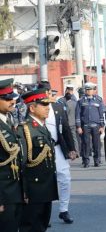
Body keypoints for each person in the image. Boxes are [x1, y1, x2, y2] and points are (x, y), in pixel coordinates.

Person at [19, 89, 58, 232]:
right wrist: (25, 191)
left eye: (48, 105)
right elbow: (22, 163)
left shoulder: (41, 127)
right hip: (33, 188)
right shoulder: (25, 129)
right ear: (32, 108)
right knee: (31, 226)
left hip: (45, 186)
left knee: (42, 224)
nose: (48, 108)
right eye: (43, 105)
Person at [37, 81, 76, 224]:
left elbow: (65, 128)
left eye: (48, 92)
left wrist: (71, 148)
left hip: (58, 148)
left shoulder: (58, 107)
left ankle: (64, 210)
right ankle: (44, 213)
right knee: (45, 181)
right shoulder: (34, 108)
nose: (48, 95)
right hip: (40, 150)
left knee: (65, 178)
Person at [0, 78, 23, 232]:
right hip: (3, 192)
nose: (12, 101)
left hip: (14, 190)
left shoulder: (8, 120)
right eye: (6, 99)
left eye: (12, 98)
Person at [75, 82, 105, 167]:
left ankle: (97, 160)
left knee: (96, 144)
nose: (89, 91)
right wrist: (78, 126)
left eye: (90, 90)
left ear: (93, 90)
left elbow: (101, 114)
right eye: (87, 90)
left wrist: (102, 126)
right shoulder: (80, 101)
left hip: (96, 126)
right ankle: (86, 161)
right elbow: (77, 115)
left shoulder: (98, 100)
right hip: (85, 125)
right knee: (85, 144)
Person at [58, 85, 80, 155]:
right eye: (69, 90)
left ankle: (70, 152)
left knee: (68, 137)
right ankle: (77, 152)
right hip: (73, 122)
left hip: (67, 123)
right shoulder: (74, 101)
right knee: (74, 138)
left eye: (71, 90)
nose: (70, 91)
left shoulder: (66, 102)